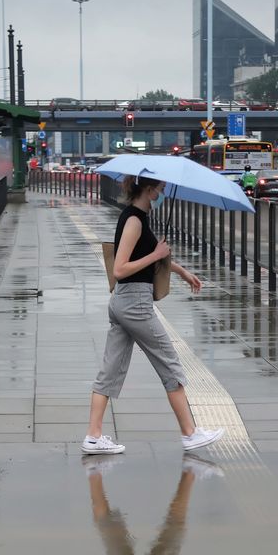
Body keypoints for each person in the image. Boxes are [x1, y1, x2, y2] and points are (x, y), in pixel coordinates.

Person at [83, 176, 224, 455]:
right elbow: (120, 269)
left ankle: (93, 436)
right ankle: (190, 433)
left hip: (125, 302)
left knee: (110, 371)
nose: (161, 192)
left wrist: (183, 272)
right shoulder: (134, 221)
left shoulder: (138, 218)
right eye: (159, 188)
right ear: (147, 189)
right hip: (134, 303)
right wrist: (156, 253)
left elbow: (150, 257)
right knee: (170, 364)